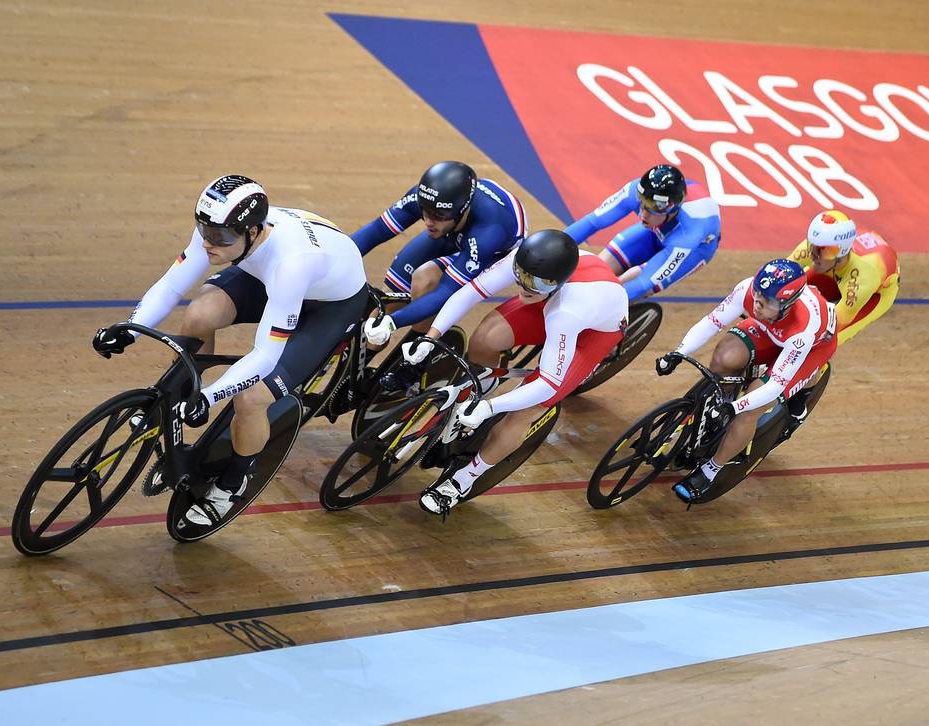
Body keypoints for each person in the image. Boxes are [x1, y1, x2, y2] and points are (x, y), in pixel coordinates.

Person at [91, 174, 369, 525]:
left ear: (252, 231)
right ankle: (178, 400)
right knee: (199, 314)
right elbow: (171, 286)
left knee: (251, 398)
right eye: (204, 231)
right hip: (268, 276)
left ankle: (235, 481)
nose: (208, 245)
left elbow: (265, 355)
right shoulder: (220, 230)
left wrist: (211, 396)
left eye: (220, 238)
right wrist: (128, 330)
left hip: (329, 305)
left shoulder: (290, 262)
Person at [400, 230, 629, 516]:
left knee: (526, 409)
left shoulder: (567, 311)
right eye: (521, 276)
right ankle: (479, 392)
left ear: (555, 283)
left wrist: (491, 407)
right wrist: (431, 336)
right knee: (485, 336)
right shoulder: (530, 267)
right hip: (552, 297)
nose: (523, 286)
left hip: (593, 330)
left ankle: (462, 481)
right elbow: (471, 292)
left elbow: (548, 382)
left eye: (534, 282)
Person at [656, 259, 837, 503]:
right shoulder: (749, 290)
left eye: (768, 301)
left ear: (787, 305)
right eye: (758, 295)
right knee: (723, 358)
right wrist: (679, 352)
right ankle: (719, 410)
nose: (758, 304)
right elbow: (712, 322)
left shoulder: (803, 331)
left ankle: (711, 469)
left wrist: (734, 407)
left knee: (750, 410)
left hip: (813, 346)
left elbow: (775, 384)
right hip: (770, 329)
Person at [353, 161, 527, 389]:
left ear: (462, 209)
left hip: (492, 253)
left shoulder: (489, 231)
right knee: (387, 302)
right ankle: (353, 374)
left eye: (438, 214)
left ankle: (417, 362)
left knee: (426, 280)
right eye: (424, 211)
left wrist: (393, 324)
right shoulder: (431, 200)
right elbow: (376, 231)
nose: (428, 220)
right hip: (451, 232)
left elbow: (445, 291)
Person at [564, 164, 720, 301]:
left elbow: (644, 282)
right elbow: (592, 222)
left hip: (697, 249)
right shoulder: (636, 190)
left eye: (652, 210)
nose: (643, 215)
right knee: (597, 268)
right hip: (656, 230)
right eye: (642, 205)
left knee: (628, 288)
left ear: (671, 209)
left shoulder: (689, 232)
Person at [788, 210, 899, 345]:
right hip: (837, 266)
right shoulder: (818, 248)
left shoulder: (862, 278)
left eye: (824, 251)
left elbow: (832, 326)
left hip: (878, 291)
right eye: (812, 246)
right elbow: (778, 278)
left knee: (826, 342)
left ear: (842, 251)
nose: (814, 256)